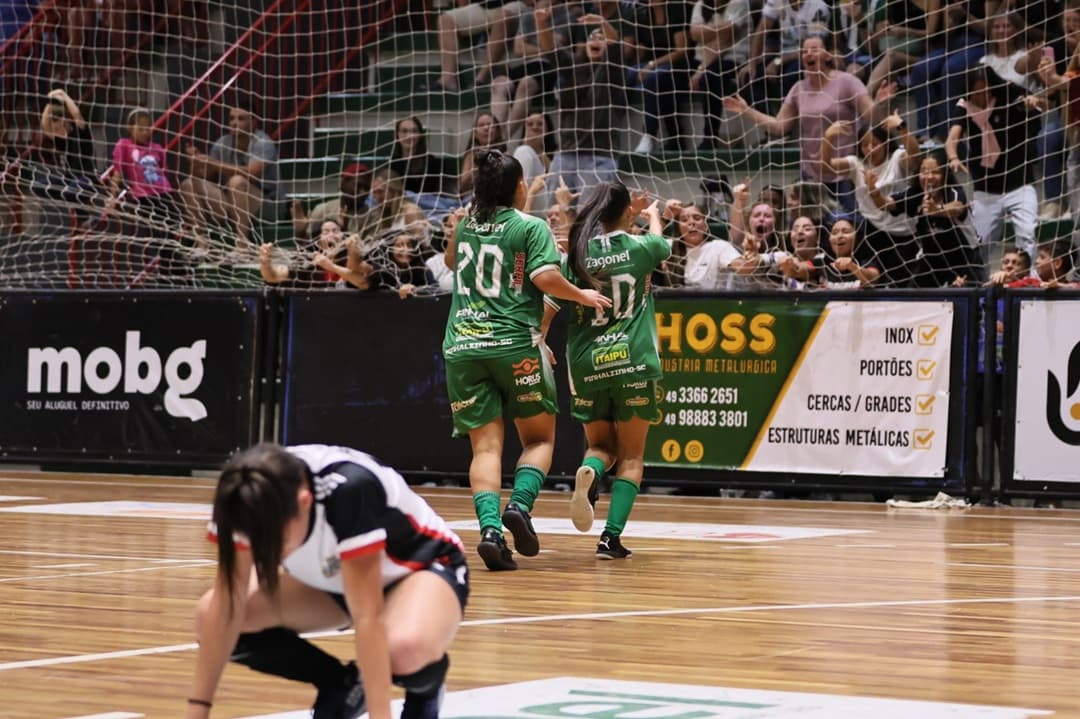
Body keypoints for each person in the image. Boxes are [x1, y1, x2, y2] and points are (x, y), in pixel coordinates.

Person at [185, 442, 467, 719]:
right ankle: (341, 684)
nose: (265, 553)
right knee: (208, 617)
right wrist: (198, 709)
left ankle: (425, 693)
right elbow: (225, 608)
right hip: (335, 580)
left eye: (275, 542)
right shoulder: (240, 495)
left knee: (402, 650)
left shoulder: (350, 490)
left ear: (304, 501)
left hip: (419, 568)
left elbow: (369, 619)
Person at [442, 149, 611, 571]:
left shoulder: (464, 226)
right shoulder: (530, 226)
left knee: (485, 448)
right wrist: (582, 295)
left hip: (462, 346)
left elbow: (450, 261)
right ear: (519, 187)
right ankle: (518, 506)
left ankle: (489, 532)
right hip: (514, 343)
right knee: (539, 440)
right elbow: (543, 278)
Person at [540, 181, 668, 558]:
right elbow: (661, 243)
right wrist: (653, 215)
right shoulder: (642, 246)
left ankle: (592, 472)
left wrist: (542, 338)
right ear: (627, 212)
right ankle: (610, 538)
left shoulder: (577, 255)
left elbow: (550, 302)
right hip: (632, 359)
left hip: (586, 362)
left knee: (599, 446)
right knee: (631, 457)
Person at [182, 103, 282, 251]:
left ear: (253, 122)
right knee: (188, 184)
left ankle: (242, 245)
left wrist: (212, 162)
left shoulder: (263, 142)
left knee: (237, 181)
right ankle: (201, 242)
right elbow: (206, 176)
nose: (234, 123)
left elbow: (251, 173)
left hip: (266, 205)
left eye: (240, 119)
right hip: (232, 200)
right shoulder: (223, 143)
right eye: (231, 119)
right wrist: (195, 162)